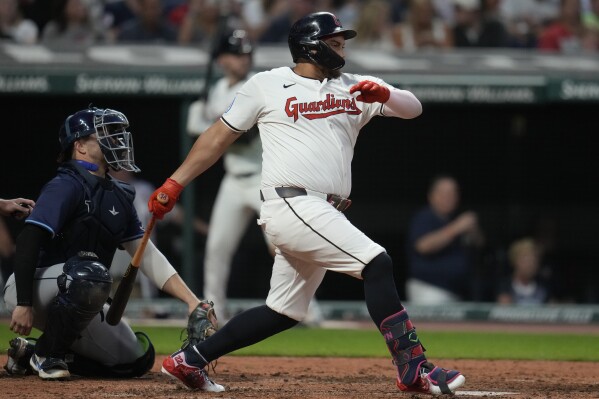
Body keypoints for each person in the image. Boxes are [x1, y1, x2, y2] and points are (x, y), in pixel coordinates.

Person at [149, 11, 466, 395]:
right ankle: (414, 368)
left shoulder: (353, 86)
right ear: (310, 46)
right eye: (334, 42)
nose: (342, 48)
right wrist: (174, 182)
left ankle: (190, 360)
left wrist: (384, 95)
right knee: (376, 262)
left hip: (322, 210)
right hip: (292, 202)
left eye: (342, 42)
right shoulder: (267, 84)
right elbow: (217, 137)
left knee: (283, 312)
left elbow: (412, 107)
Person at [2, 106, 215, 382]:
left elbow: (146, 255)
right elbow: (28, 239)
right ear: (79, 146)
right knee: (91, 274)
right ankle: (47, 355)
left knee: (135, 361)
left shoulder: (120, 194)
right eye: (105, 134)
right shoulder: (65, 184)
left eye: (117, 134)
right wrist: (23, 302)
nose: (117, 141)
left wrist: (191, 301)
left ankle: (31, 353)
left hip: (83, 290)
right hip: (34, 284)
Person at [406, 174, 484, 304]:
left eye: (453, 192)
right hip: (429, 289)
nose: (450, 197)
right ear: (431, 196)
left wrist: (473, 230)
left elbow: (480, 244)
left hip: (457, 291)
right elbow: (423, 246)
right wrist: (456, 228)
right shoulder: (424, 217)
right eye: (445, 193)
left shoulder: (455, 218)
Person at [496, 237, 552, 305]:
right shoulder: (505, 286)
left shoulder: (543, 287)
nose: (531, 264)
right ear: (515, 260)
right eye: (526, 259)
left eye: (534, 259)